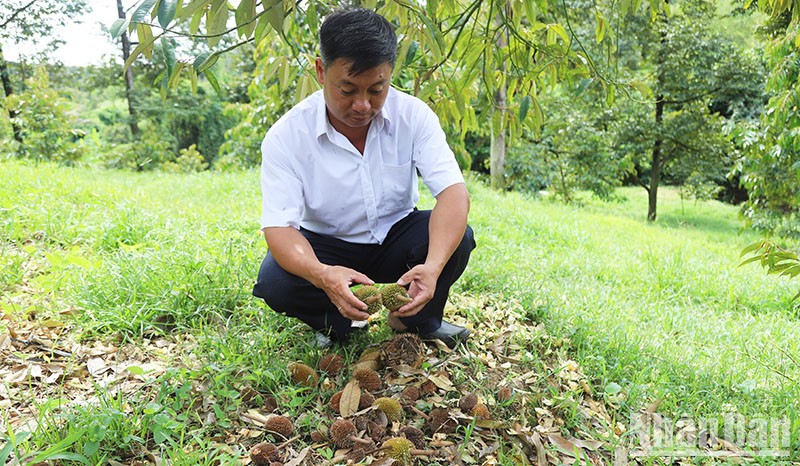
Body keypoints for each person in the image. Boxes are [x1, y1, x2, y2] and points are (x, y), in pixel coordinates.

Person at [252, 7, 476, 349]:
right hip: (327, 245)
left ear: (390, 74)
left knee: (458, 240)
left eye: (376, 90)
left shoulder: (413, 116)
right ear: (320, 70)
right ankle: (336, 324)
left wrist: (431, 267)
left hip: (396, 238)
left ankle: (414, 320)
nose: (362, 105)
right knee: (276, 281)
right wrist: (322, 274)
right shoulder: (287, 136)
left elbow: (452, 193)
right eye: (347, 89)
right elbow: (279, 228)